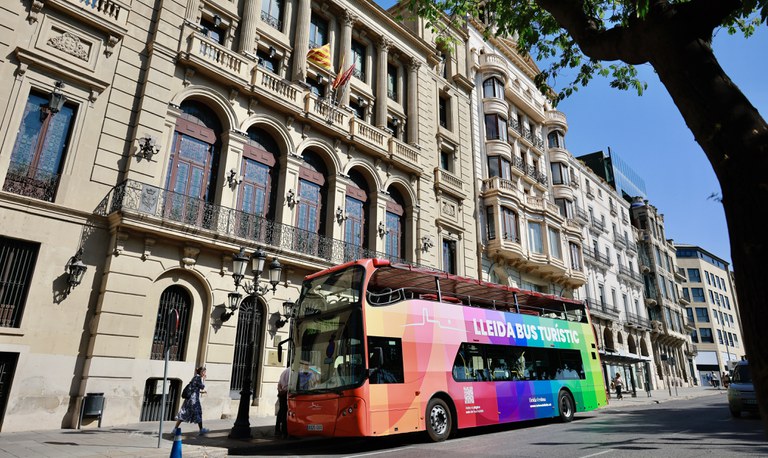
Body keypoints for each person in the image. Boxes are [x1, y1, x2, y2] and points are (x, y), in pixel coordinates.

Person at [175, 366, 209, 435]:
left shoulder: (195, 377)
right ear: (201, 372)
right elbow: (202, 386)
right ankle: (201, 430)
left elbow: (194, 388)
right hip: (194, 400)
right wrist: (204, 379)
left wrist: (201, 392)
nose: (205, 374)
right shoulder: (198, 378)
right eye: (204, 372)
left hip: (189, 399)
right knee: (198, 413)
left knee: (184, 413)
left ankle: (175, 429)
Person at [275, 365, 290, 439]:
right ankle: (285, 431)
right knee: (285, 413)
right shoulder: (292, 372)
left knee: (281, 411)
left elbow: (279, 384)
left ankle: (278, 430)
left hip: (282, 394)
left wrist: (281, 391)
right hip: (287, 394)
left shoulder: (285, 371)